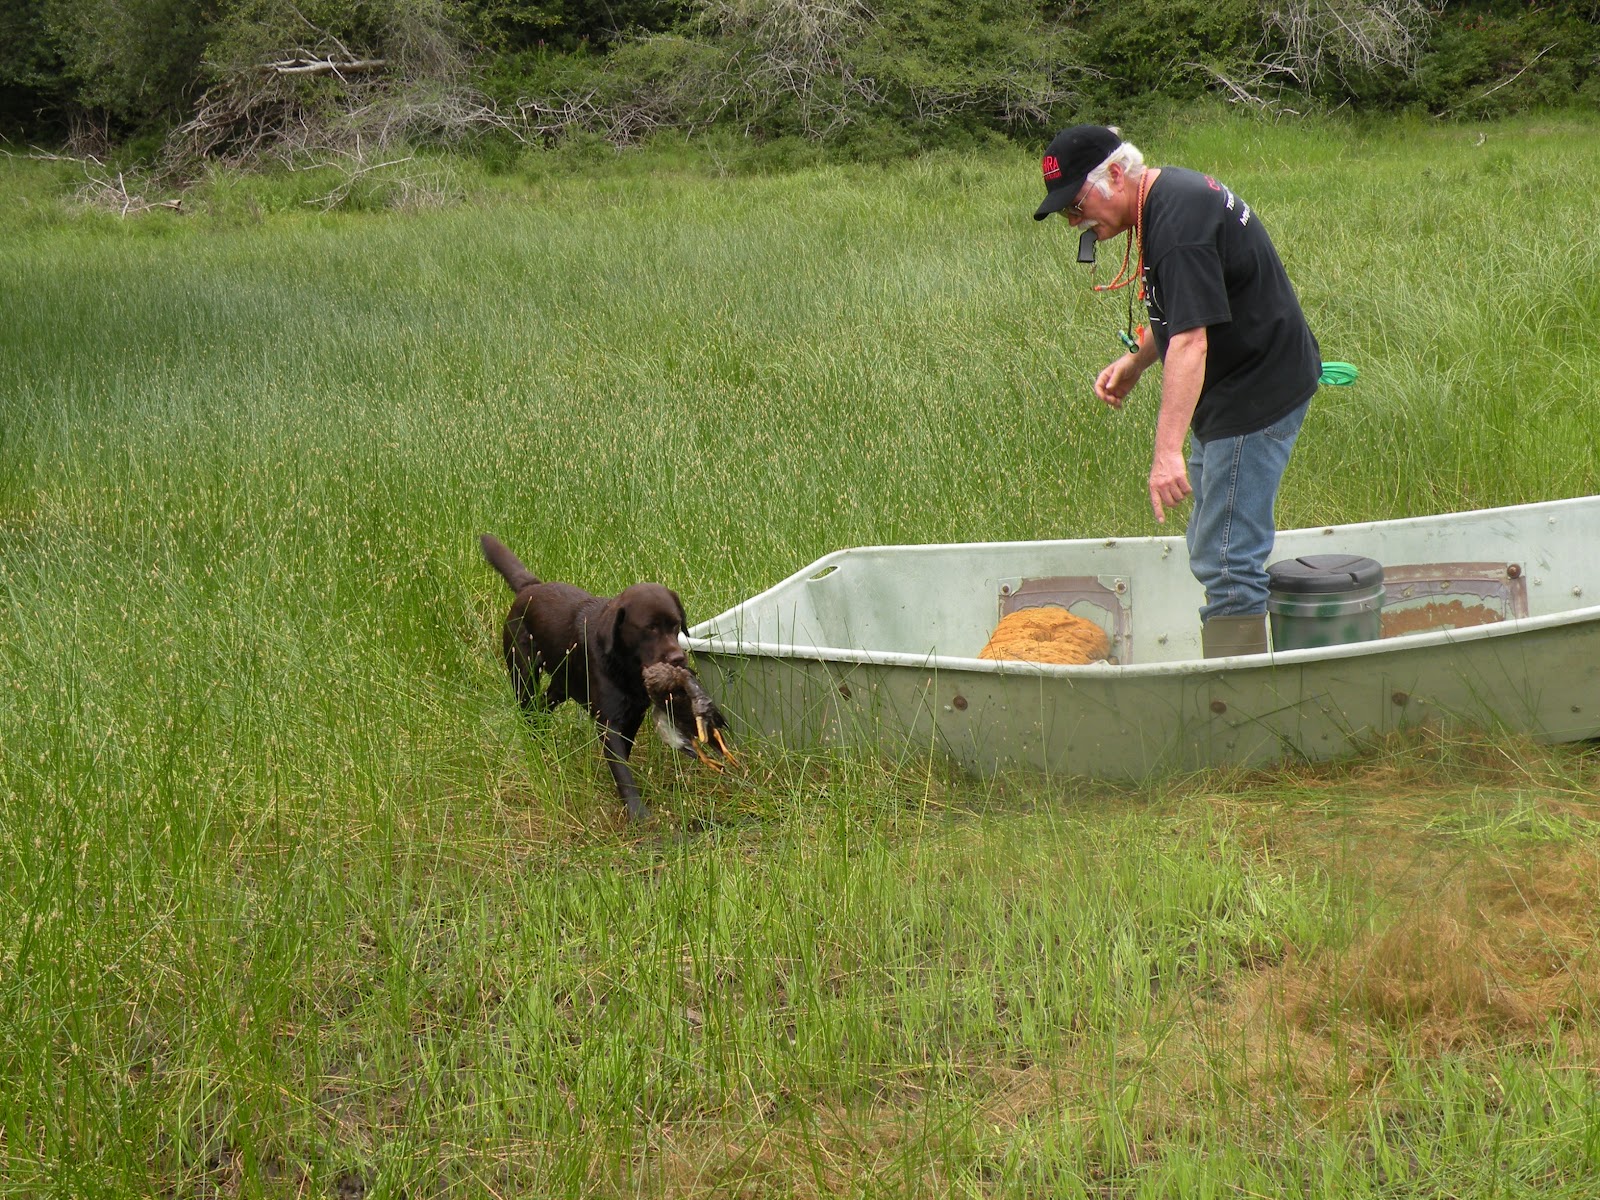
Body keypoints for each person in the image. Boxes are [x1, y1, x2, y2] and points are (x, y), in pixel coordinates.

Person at [1033, 124, 1321, 659]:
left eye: (1076, 205)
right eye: (1068, 216)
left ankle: (1240, 710)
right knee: (1212, 547)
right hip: (1240, 388)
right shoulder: (1164, 200)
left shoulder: (1178, 223)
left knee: (1228, 560)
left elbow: (1190, 341)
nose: (1076, 222)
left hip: (1255, 395)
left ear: (1115, 175)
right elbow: (1184, 310)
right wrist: (1139, 360)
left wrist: (1167, 454)